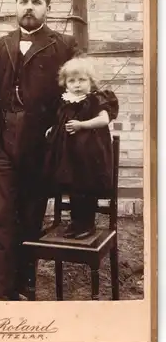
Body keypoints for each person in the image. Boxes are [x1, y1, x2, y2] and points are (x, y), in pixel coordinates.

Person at [0, 0, 79, 300]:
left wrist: (58, 127)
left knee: (29, 216)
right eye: (23, 1)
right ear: (15, 6)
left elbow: (79, 93)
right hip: (2, 141)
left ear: (46, 9)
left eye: (36, 2)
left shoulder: (64, 45)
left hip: (39, 143)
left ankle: (25, 286)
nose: (29, 7)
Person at [45, 57, 119, 239]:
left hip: (91, 153)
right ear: (65, 84)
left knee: (87, 187)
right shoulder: (65, 102)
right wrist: (53, 129)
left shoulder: (96, 99)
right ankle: (76, 223)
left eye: (82, 80)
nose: (77, 85)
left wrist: (81, 125)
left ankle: (87, 224)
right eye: (72, 81)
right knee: (73, 187)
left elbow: (103, 119)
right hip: (70, 155)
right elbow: (61, 121)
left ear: (91, 81)